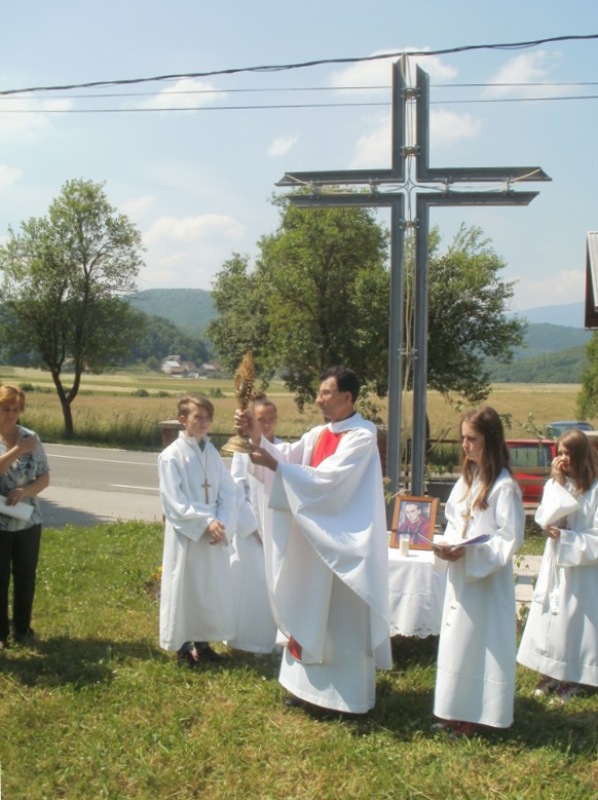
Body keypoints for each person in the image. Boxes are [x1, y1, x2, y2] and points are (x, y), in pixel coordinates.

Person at [239, 367, 391, 714]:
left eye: (325, 393)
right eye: (319, 392)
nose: (318, 398)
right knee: (309, 610)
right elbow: (288, 458)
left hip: (342, 543)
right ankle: (304, 689)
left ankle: (342, 696)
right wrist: (256, 439)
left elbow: (330, 481)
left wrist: (278, 468)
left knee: (339, 621)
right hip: (313, 540)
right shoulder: (318, 433)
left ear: (347, 397)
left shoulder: (362, 436)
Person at [432, 406, 524, 735]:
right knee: (458, 642)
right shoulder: (467, 480)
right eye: (462, 439)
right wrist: (447, 543)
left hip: (486, 581)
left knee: (479, 643)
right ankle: (453, 709)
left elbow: (508, 538)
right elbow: (456, 522)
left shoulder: (503, 487)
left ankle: (480, 712)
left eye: (471, 438)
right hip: (463, 575)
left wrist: (471, 553)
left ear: (490, 439)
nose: (465, 445)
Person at [517, 429, 598, 703]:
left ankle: (573, 677)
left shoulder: (595, 489)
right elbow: (544, 517)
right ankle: (551, 671)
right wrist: (559, 483)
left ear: (580, 455)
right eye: (559, 453)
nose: (562, 459)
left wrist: (567, 537)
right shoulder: (556, 484)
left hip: (581, 567)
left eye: (567, 453)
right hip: (556, 562)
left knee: (573, 620)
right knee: (551, 614)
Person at [157, 394, 237, 666]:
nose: (204, 422)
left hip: (213, 533)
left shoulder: (212, 453)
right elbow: (174, 502)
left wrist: (222, 522)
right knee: (185, 588)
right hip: (188, 535)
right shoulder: (172, 457)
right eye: (197, 417)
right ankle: (182, 648)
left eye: (207, 417)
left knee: (207, 588)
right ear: (183, 420)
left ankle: (203, 645)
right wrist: (205, 522)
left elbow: (228, 491)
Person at [227, 396, 279, 654]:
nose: (266, 425)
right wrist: (254, 526)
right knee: (252, 586)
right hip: (250, 532)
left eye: (270, 419)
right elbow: (237, 491)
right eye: (261, 420)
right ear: (252, 421)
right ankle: (247, 641)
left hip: (275, 528)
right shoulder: (242, 450)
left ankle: (273, 639)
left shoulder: (282, 449)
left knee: (275, 584)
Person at [0, 383, 50, 649]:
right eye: (5, 408)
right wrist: (18, 449)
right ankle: (0, 635)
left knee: (25, 575)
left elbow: (45, 476)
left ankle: (22, 629)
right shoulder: (22, 443)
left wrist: (25, 491)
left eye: (16, 409)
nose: (11, 415)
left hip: (28, 519)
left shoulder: (32, 437)